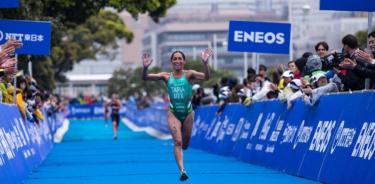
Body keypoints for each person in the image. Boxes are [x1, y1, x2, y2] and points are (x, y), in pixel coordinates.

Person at [141, 48, 212, 181]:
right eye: (175, 59)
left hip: (188, 113)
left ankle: (183, 154)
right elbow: (145, 77)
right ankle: (182, 171)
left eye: (180, 59)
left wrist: (205, 63)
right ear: (171, 62)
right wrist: (145, 68)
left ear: (184, 61)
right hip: (173, 113)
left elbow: (206, 77)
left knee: (185, 144)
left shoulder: (189, 74)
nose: (178, 61)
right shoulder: (166, 76)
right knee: (177, 142)